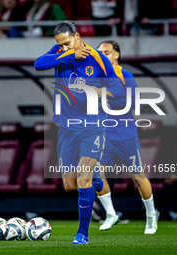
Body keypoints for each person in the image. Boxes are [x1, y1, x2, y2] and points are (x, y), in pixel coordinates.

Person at [34, 21, 125, 244]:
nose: (62, 47)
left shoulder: (98, 58)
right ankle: (95, 177)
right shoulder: (60, 52)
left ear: (77, 35)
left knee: (82, 179)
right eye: (60, 45)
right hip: (67, 128)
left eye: (67, 43)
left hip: (93, 126)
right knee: (70, 185)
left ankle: (82, 234)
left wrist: (101, 90)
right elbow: (39, 64)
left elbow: (119, 90)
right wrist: (70, 54)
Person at [96, 40, 158, 234]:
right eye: (100, 53)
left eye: (107, 52)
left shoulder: (126, 76)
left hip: (125, 135)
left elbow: (133, 103)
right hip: (104, 136)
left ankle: (151, 215)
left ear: (117, 55)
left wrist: (105, 96)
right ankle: (111, 213)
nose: (102, 56)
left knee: (138, 178)